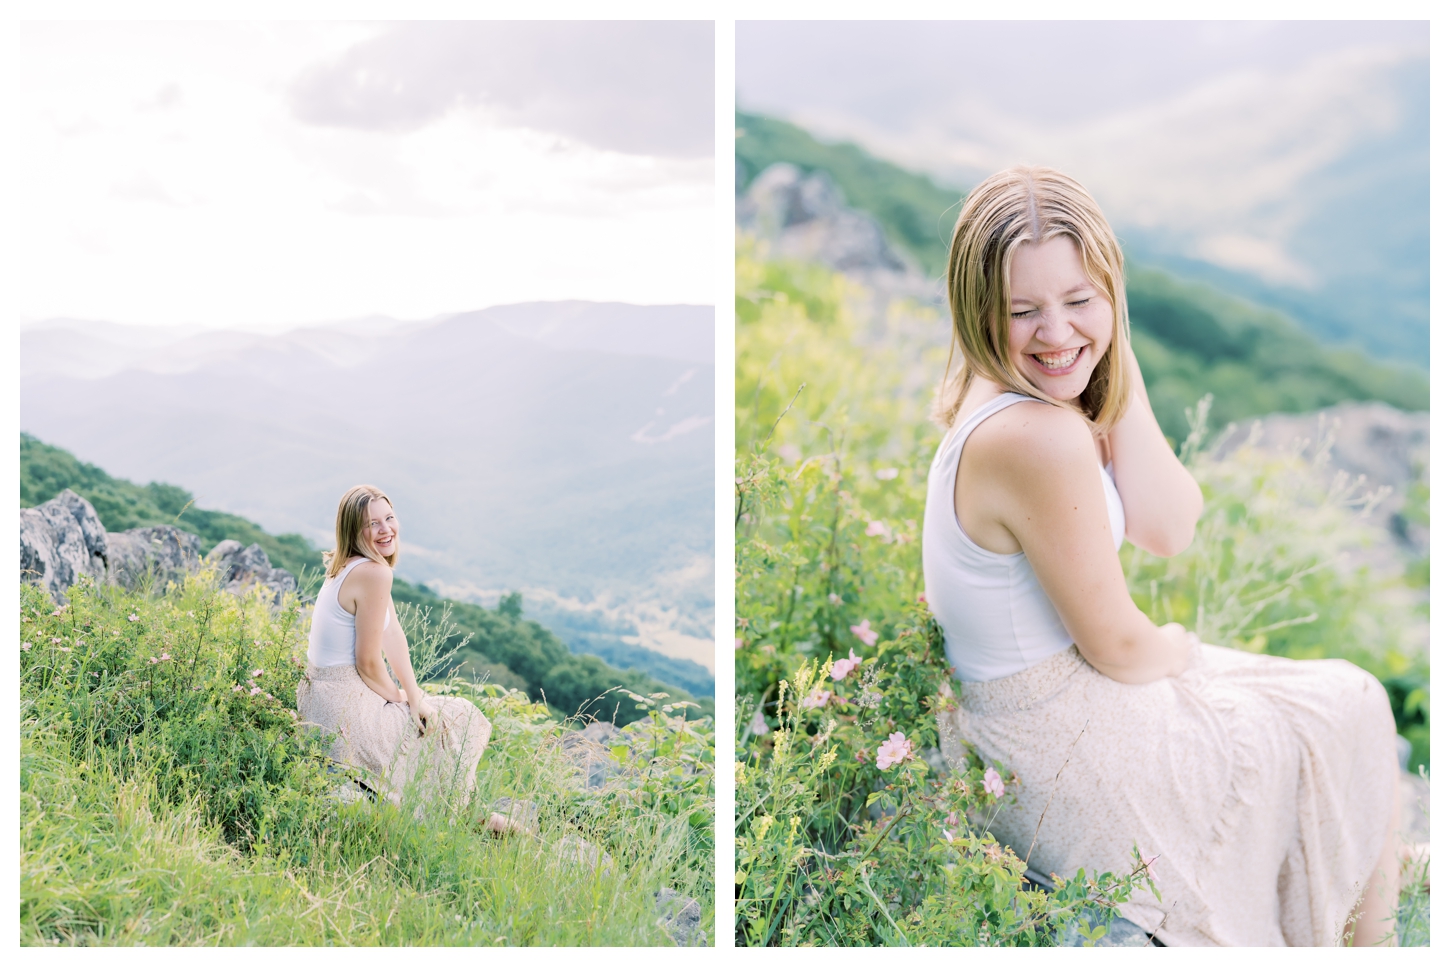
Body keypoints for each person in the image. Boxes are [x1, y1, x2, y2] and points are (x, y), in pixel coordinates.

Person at [923, 166, 1400, 946]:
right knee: (1345, 704)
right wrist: (1181, 651)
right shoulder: (1036, 437)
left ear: (1112, 289)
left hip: (1038, 711)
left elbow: (1169, 525)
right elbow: (1117, 644)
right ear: (980, 311)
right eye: (1024, 310)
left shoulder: (1026, 392)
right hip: (1054, 740)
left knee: (1336, 704)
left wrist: (1112, 360)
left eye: (1080, 298)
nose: (1054, 330)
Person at [297, 484, 505, 826]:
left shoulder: (357, 566)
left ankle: (460, 811)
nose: (385, 529)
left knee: (432, 713)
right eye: (372, 524)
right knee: (460, 717)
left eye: (389, 518)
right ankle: (457, 814)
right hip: (342, 704)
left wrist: (414, 695)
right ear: (353, 530)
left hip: (323, 698)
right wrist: (400, 700)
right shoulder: (373, 572)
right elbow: (366, 661)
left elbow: (392, 634)